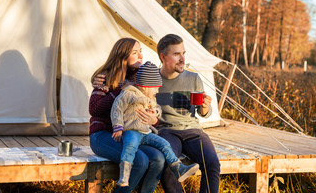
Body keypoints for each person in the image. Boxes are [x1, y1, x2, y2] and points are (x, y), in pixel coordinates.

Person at [89, 38, 165, 193]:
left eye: (141, 52)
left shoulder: (141, 77)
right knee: (140, 161)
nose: (140, 56)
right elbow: (94, 109)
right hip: (102, 135)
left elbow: (150, 107)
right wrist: (120, 90)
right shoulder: (106, 77)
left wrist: (153, 119)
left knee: (158, 159)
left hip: (130, 134)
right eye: (135, 53)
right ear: (123, 56)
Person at [111, 61, 199, 187]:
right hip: (131, 131)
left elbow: (158, 107)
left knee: (164, 143)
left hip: (145, 133)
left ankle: (178, 168)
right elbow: (116, 109)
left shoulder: (151, 98)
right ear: (146, 86)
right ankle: (124, 176)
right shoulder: (128, 94)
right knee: (130, 147)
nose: (157, 91)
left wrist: (155, 112)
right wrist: (118, 126)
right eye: (156, 87)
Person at [155, 34, 220, 193]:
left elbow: (203, 113)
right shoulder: (153, 79)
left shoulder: (193, 78)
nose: (182, 58)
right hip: (167, 130)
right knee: (168, 166)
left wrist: (205, 106)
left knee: (212, 164)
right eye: (176, 54)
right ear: (163, 57)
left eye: (183, 53)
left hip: (193, 131)